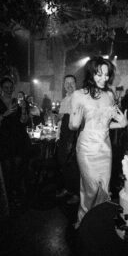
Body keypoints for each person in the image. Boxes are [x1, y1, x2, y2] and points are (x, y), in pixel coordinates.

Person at [69, 56, 127, 227]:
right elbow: (73, 126)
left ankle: (99, 219)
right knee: (91, 187)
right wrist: (74, 123)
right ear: (91, 74)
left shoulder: (110, 94)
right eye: (99, 74)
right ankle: (84, 220)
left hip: (105, 146)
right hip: (87, 147)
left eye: (107, 75)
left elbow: (107, 124)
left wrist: (122, 123)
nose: (104, 78)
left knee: (104, 186)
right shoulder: (78, 95)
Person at [0, 77, 31, 201]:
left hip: (18, 139)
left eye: (10, 87)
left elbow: (23, 121)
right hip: (4, 140)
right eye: (6, 87)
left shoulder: (16, 102)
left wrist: (23, 108)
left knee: (18, 167)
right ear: (1, 88)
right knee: (7, 167)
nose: (8, 89)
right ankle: (9, 194)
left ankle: (17, 192)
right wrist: (4, 114)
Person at [56, 75, 80, 204]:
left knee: (73, 165)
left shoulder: (79, 98)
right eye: (67, 83)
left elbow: (77, 119)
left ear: (76, 84)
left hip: (73, 135)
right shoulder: (65, 99)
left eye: (72, 83)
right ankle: (67, 188)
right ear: (64, 85)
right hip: (64, 135)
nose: (69, 85)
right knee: (63, 163)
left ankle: (76, 193)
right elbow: (61, 117)